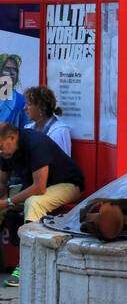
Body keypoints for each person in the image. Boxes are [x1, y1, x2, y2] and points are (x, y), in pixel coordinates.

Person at [0, 121, 85, 289]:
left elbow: (39, 187)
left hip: (68, 184)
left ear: (12, 137)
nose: (0, 151)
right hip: (34, 185)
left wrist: (8, 202)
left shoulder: (36, 143)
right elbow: (2, 183)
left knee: (34, 202)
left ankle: (27, 264)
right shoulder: (6, 150)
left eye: (1, 146)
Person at [23, 85, 72, 155]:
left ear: (40, 107)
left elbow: (61, 162)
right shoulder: (28, 129)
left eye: (29, 104)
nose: (25, 108)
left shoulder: (59, 131)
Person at [0, 55, 27, 129]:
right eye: (7, 69)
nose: (12, 73)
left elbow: (28, 132)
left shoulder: (21, 101)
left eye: (15, 70)